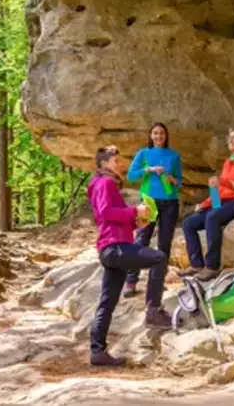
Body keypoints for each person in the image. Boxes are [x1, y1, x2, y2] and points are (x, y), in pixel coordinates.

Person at [87, 146, 172, 367]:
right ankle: (153, 310)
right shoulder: (105, 183)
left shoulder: (100, 184)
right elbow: (106, 213)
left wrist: (135, 222)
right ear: (105, 163)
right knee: (159, 258)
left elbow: (110, 217)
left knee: (108, 301)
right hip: (115, 248)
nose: (119, 164)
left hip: (111, 248)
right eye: (116, 160)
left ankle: (97, 352)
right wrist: (135, 211)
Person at [178, 127, 234, 281]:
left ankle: (212, 266)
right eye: (229, 138)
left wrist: (221, 181)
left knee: (212, 218)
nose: (231, 141)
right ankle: (196, 264)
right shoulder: (228, 162)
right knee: (189, 223)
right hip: (221, 202)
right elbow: (219, 191)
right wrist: (205, 203)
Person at [124, 122, 182, 298]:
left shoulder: (174, 156)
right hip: (148, 201)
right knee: (142, 240)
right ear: (150, 136)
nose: (158, 136)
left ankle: (157, 283)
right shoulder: (144, 153)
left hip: (170, 202)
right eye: (155, 133)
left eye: (162, 133)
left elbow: (179, 181)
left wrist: (173, 180)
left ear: (166, 136)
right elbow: (131, 175)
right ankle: (131, 281)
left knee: (164, 244)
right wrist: (148, 169)